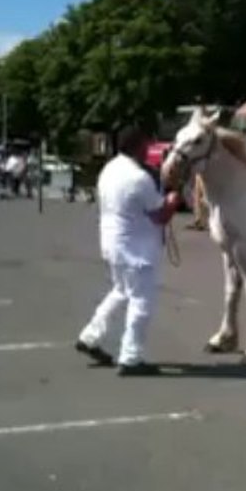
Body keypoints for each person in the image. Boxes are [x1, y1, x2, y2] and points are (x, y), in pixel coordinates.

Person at [74, 125, 183, 376]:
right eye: (146, 144)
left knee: (121, 291)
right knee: (141, 301)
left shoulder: (110, 169)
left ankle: (90, 336)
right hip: (137, 249)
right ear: (138, 146)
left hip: (113, 243)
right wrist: (174, 200)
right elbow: (160, 215)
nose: (149, 149)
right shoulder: (138, 178)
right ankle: (131, 357)